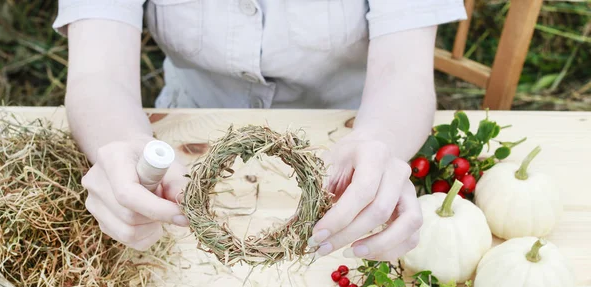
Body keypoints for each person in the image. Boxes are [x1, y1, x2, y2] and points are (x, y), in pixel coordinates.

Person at [53, 0, 466, 260]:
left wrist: (379, 141)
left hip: (344, 147)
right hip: (181, 144)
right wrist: (124, 142)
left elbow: (405, 76)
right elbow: (97, 74)